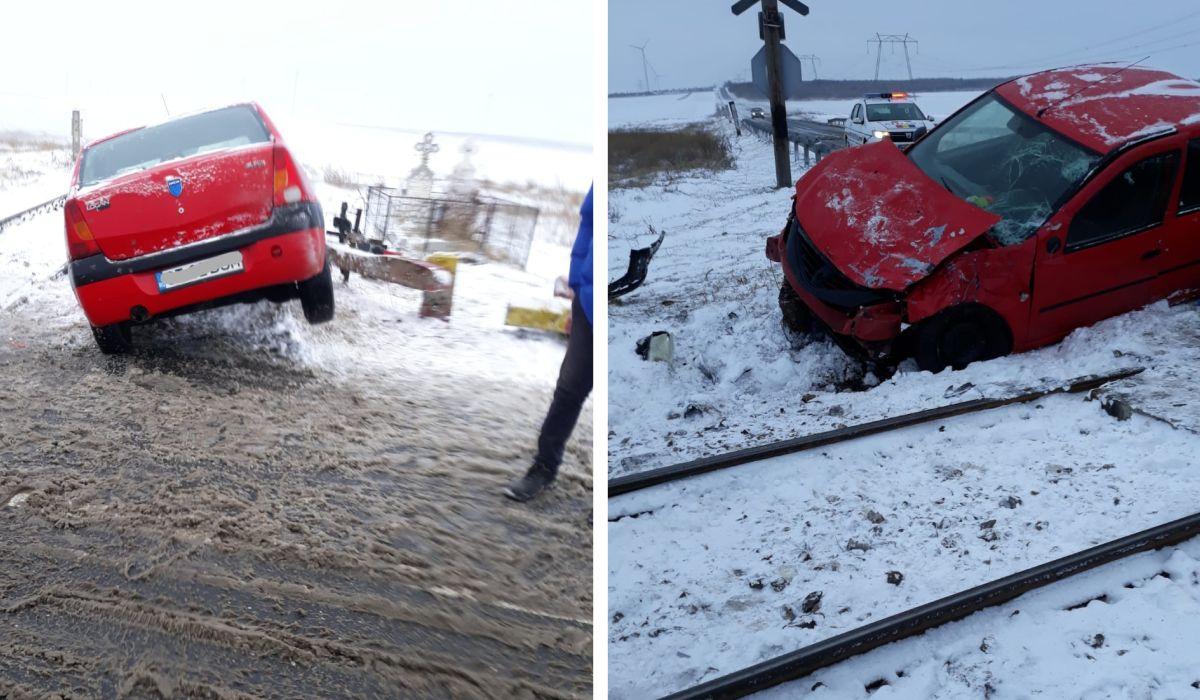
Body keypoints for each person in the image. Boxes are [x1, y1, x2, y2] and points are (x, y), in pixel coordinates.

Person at [504, 186, 593, 502]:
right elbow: (588, 223)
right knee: (568, 390)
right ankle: (544, 467)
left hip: (613, 295)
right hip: (589, 304)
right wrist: (577, 283)